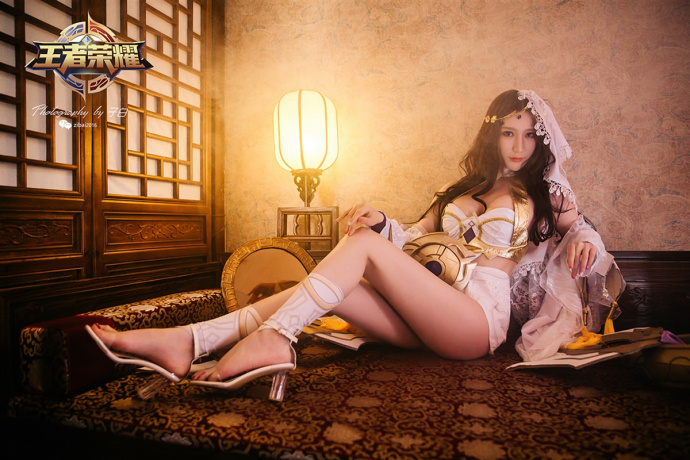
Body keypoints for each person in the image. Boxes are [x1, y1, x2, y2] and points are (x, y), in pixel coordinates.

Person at [86, 89, 621, 402]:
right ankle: (189, 338)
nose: (518, 145)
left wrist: (584, 241)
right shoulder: (461, 189)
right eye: (508, 132)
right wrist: (383, 220)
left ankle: (273, 340)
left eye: (528, 135)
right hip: (426, 313)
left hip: (475, 322)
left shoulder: (546, 192)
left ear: (540, 139)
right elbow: (415, 237)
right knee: (331, 282)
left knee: (360, 246)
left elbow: (582, 230)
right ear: (492, 134)